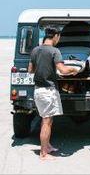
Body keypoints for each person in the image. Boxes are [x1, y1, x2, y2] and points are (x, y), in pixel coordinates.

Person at [28, 25, 79, 160]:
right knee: (47, 122)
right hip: (48, 91)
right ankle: (43, 154)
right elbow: (63, 70)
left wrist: (44, 69)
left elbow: (30, 70)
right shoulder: (54, 51)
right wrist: (74, 70)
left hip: (38, 90)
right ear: (56, 36)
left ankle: (47, 146)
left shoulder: (35, 50)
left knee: (46, 119)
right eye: (59, 37)